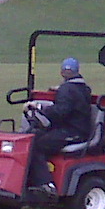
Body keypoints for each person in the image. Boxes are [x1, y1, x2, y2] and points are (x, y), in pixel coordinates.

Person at [24, 58, 93, 194]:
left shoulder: (67, 90)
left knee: (34, 144)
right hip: (77, 129)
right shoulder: (83, 88)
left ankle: (46, 184)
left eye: (66, 71)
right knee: (35, 135)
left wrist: (38, 107)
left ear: (62, 72)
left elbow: (60, 111)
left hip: (73, 132)